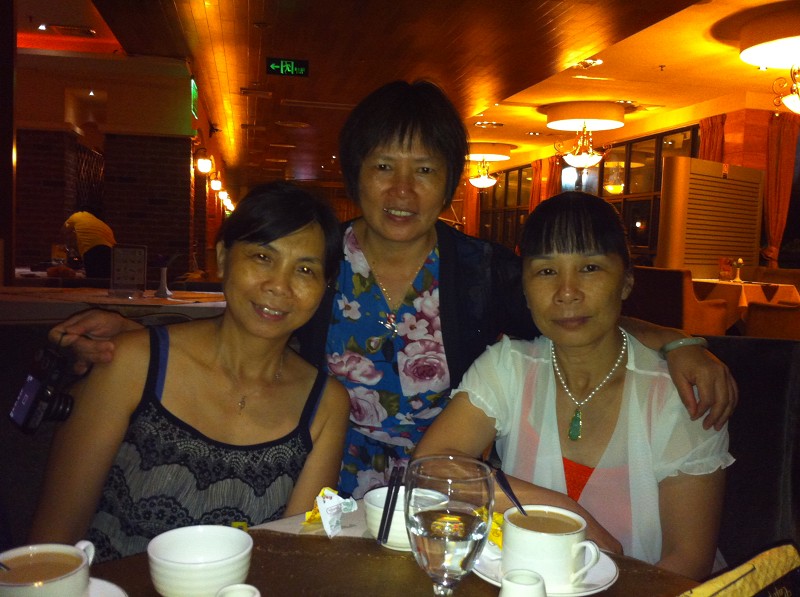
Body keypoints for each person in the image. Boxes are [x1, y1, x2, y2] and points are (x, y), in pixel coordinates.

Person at [49, 81, 736, 501]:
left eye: (424, 169)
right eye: (383, 166)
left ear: (450, 181)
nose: (402, 190)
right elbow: (255, 314)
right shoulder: (319, 256)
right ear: (355, 173)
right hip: (319, 487)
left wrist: (678, 342)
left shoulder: (481, 269)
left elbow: (578, 313)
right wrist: (141, 331)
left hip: (451, 494)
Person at [414, 191, 733, 581]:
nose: (567, 292)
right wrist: (562, 510)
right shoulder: (509, 367)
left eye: (590, 268)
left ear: (626, 281)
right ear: (525, 287)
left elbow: (687, 562)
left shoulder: (679, 394)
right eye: (546, 271)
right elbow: (431, 466)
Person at [29, 183, 350, 562]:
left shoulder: (325, 405)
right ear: (223, 257)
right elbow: (53, 546)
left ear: (324, 286)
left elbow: (295, 555)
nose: (279, 286)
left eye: (305, 269)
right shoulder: (132, 364)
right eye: (263, 256)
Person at [62, 206, 117, 278]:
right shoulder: (99, 222)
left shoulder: (76, 216)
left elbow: (64, 230)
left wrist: (66, 246)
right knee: (106, 279)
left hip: (92, 249)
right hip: (112, 252)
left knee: (92, 280)